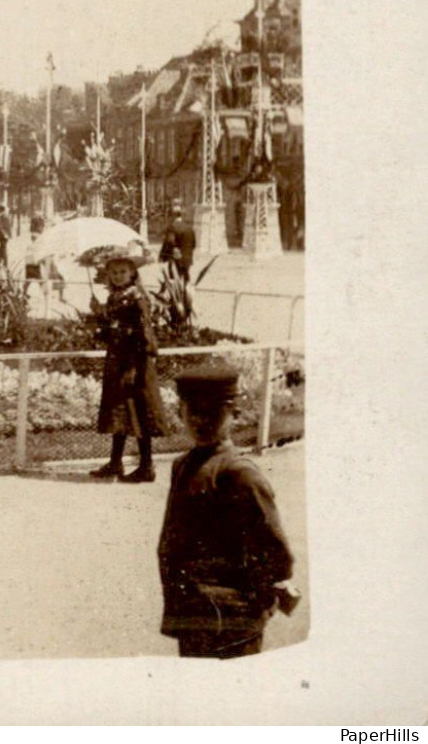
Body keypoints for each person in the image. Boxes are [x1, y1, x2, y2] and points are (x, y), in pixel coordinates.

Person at [159, 362, 299, 658]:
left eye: (214, 412)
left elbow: (276, 552)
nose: (201, 420)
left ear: (234, 414)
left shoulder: (239, 473)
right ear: (180, 412)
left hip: (233, 618)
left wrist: (254, 602)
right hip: (193, 611)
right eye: (193, 410)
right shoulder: (183, 465)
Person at [92, 243, 166, 482]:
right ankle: (115, 463)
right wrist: (98, 315)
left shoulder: (137, 298)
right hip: (118, 362)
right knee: (120, 413)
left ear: (133, 273)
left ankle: (147, 466)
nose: (118, 276)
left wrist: (135, 367)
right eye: (113, 273)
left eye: (123, 272)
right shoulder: (115, 298)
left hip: (135, 364)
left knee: (140, 413)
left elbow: (144, 334)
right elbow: (109, 332)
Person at [159, 202, 197, 283]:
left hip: (176, 260)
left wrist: (162, 257)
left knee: (174, 282)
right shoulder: (189, 228)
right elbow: (193, 244)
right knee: (186, 280)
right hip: (187, 260)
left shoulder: (172, 227)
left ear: (173, 216)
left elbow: (169, 243)